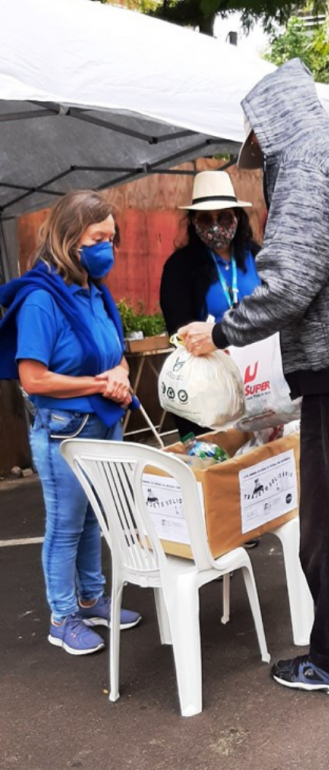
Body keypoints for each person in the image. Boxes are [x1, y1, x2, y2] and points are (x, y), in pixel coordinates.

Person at [177, 58, 329, 697]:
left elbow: (290, 283)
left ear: (269, 124)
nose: (251, 152)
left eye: (253, 135)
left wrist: (220, 330)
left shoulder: (308, 169)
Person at [0, 190, 141, 656]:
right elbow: (33, 377)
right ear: (68, 237)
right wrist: (99, 386)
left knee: (90, 521)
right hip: (65, 429)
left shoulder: (91, 290)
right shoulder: (41, 300)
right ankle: (63, 618)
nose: (108, 248)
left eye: (112, 238)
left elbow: (115, 353)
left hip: (99, 423)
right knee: (65, 526)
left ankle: (91, 598)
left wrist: (118, 376)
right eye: (98, 237)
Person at [159, 170, 260, 438]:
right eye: (206, 219)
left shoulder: (258, 256)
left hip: (260, 377)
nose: (215, 226)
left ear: (237, 217)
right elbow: (177, 332)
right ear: (193, 222)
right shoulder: (179, 268)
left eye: (223, 217)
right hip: (211, 386)